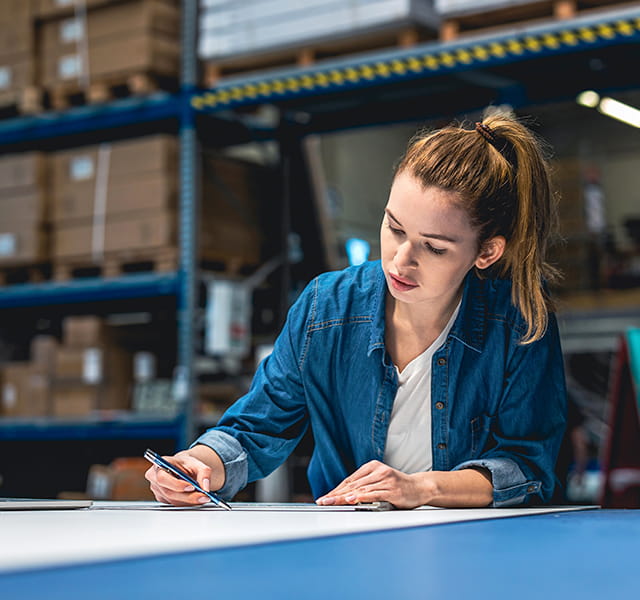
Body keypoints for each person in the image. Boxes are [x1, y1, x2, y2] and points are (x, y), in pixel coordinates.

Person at [146, 111, 567, 509]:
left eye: (434, 247)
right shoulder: (325, 307)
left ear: (487, 252)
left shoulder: (519, 321)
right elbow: (257, 427)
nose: (401, 261)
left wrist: (420, 487)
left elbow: (527, 465)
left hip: (474, 551)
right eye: (394, 228)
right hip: (347, 543)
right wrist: (200, 463)